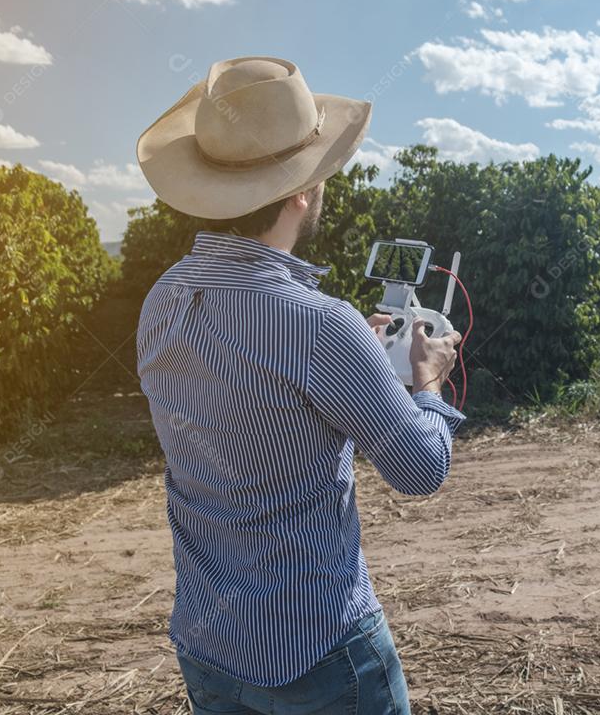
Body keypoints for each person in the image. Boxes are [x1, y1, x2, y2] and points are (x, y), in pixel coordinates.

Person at [134, 56, 464, 715]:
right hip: (319, 652)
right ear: (302, 192)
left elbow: (243, 398)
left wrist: (354, 359)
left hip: (208, 643)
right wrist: (426, 383)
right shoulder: (322, 325)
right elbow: (420, 470)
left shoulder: (162, 298)